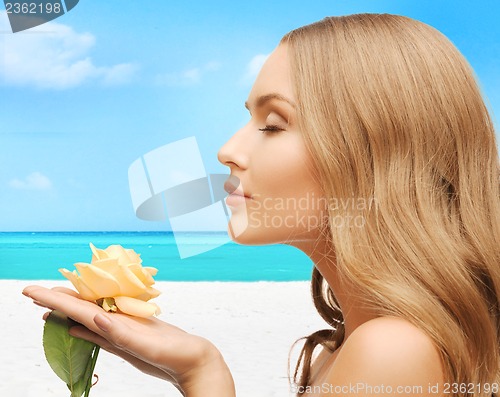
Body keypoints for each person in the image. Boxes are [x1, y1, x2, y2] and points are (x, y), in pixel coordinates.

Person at [23, 13, 499, 397]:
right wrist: (200, 372)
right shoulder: (348, 346)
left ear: (376, 153)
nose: (228, 149)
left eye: (273, 124)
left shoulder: (391, 351)